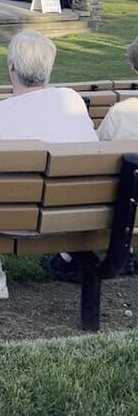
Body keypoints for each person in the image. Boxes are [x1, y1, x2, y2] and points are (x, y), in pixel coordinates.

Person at [0, 30, 97, 300]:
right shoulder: (73, 101)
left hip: (7, 221)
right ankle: (68, 252)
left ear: (11, 65)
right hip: (72, 216)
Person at [47, 36, 138, 282]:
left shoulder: (123, 113)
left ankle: (68, 256)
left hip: (124, 205)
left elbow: (98, 156)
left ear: (134, 68)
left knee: (102, 180)